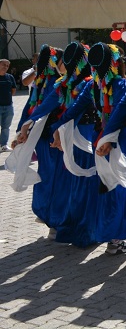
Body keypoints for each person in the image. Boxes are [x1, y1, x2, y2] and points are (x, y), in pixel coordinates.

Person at [50, 42, 126, 254]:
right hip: (118, 139)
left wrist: (58, 127)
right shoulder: (123, 85)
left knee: (107, 184)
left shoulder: (92, 85)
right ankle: (116, 238)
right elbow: (120, 113)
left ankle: (110, 236)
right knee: (119, 187)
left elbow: (72, 110)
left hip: (102, 138)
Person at [10, 45, 66, 239]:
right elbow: (50, 108)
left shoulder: (41, 81)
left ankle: (47, 214)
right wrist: (23, 131)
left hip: (43, 137)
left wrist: (22, 130)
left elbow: (29, 107)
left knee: (46, 175)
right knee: (57, 178)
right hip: (54, 138)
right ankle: (55, 220)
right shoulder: (57, 83)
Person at [0, 59, 14, 151]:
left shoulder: (10, 77)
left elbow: (13, 90)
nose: (5, 67)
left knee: (6, 127)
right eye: (3, 65)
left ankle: (3, 145)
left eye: (7, 66)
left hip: (8, 106)